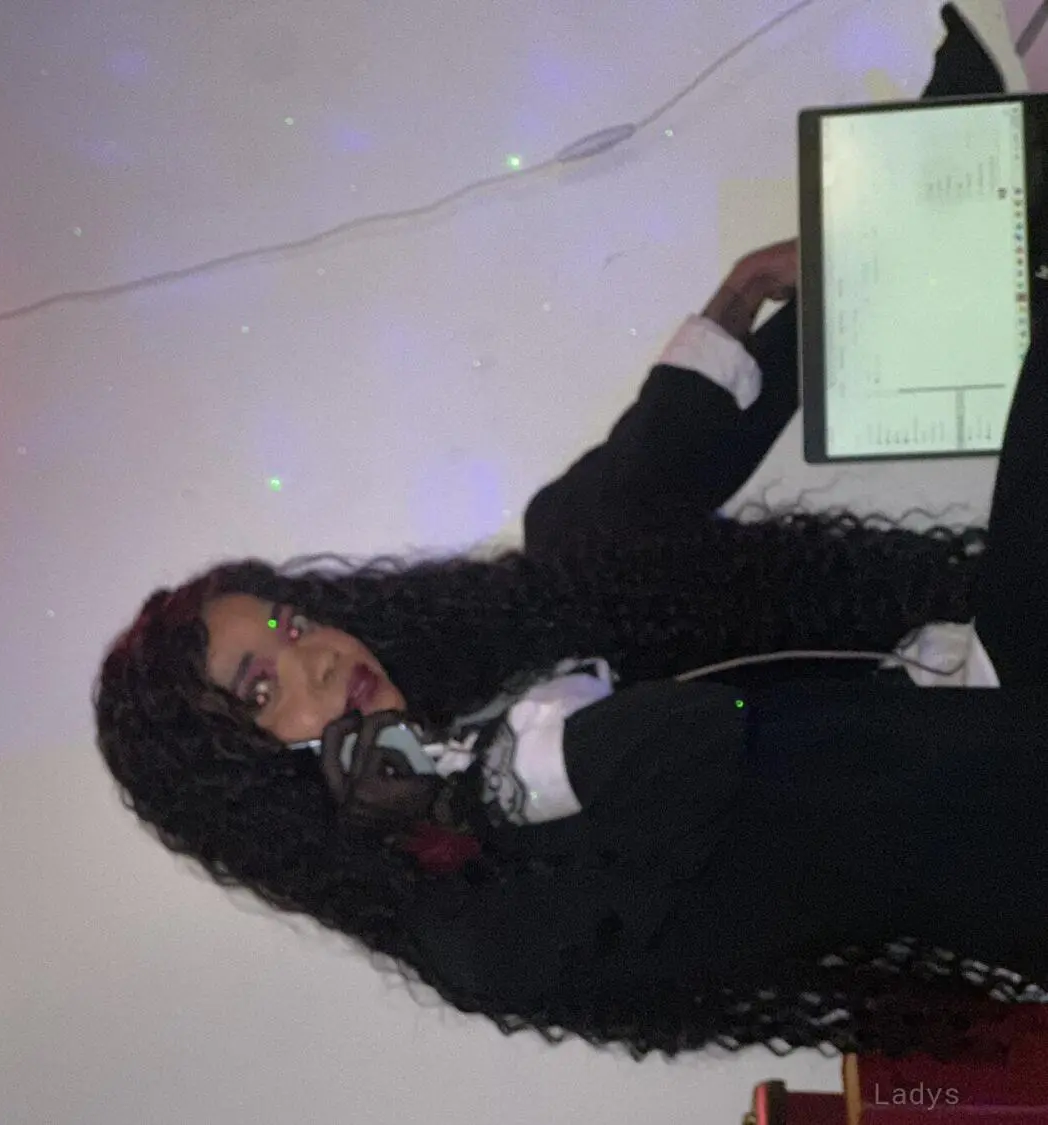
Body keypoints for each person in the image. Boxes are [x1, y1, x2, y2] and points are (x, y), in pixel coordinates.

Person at [94, 6, 1047, 1060]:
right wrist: (479, 788)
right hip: (1001, 836)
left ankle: (952, 153)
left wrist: (745, 291)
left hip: (990, 668)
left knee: (579, 529)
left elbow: (646, 478)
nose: (313, 657)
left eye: (287, 623)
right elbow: (694, 746)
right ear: (254, 788)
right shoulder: (480, 929)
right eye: (261, 690)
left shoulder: (530, 629)